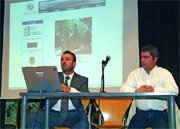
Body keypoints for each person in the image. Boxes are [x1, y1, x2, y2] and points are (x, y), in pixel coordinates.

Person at [120, 45, 179, 129]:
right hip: (141, 114)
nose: (143, 60)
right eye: (142, 57)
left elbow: (174, 90)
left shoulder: (164, 73)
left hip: (159, 114)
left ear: (155, 59)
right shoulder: (135, 74)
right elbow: (123, 89)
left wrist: (154, 90)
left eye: (146, 57)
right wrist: (136, 91)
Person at [27, 51, 89, 129]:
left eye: (67, 59)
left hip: (74, 114)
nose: (64, 62)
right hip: (52, 113)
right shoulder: (53, 77)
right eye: (62, 59)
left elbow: (86, 95)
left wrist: (69, 90)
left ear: (74, 64)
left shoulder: (82, 80)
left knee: (83, 124)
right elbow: (43, 90)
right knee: (32, 118)